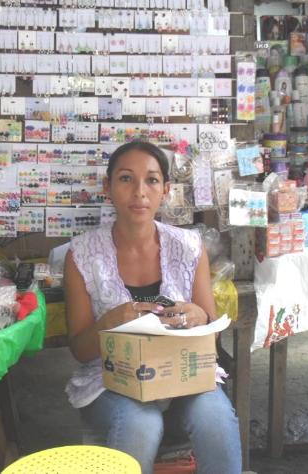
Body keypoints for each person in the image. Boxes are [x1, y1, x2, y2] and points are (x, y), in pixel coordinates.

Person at [64, 141, 242, 474]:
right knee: (140, 424)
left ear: (166, 190)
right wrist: (111, 322)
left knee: (215, 418)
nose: (139, 192)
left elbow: (211, 332)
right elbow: (80, 350)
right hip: (111, 379)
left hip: (182, 370)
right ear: (107, 187)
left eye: (152, 180)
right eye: (126, 179)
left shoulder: (189, 247)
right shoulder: (81, 256)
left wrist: (199, 317)